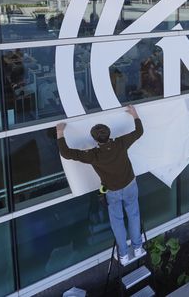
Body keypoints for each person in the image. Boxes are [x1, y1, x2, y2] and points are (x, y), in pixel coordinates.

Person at [56, 105, 144, 265]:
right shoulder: (121, 143)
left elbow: (66, 153)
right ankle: (138, 248)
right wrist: (134, 114)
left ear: (95, 139)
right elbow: (139, 132)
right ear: (109, 134)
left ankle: (123, 255)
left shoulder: (93, 155)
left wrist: (60, 132)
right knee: (134, 215)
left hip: (113, 191)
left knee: (117, 221)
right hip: (130, 184)